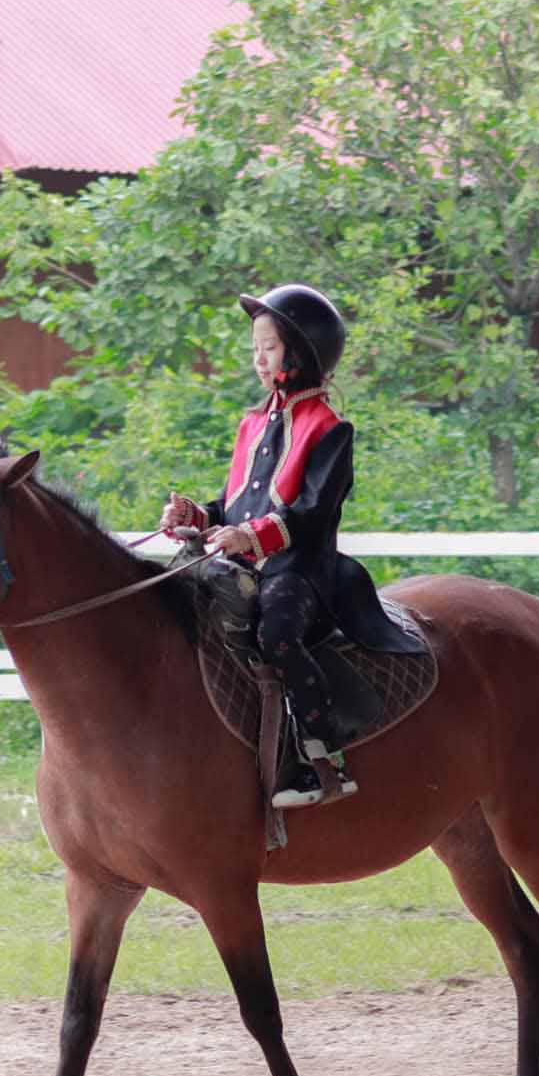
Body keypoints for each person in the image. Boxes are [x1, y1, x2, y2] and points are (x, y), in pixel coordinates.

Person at [158, 284, 423, 809]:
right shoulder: (253, 424)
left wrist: (249, 537)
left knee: (277, 632)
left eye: (269, 347)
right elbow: (237, 505)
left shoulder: (331, 429)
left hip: (302, 571)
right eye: (255, 347)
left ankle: (319, 756)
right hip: (247, 563)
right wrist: (199, 515)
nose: (258, 359)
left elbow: (311, 514)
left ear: (300, 354)